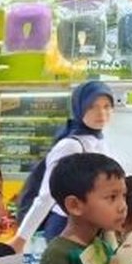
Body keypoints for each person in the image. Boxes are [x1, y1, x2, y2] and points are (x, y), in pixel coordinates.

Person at [13, 81, 116, 249]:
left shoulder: (100, 141)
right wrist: (22, 238)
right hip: (66, 227)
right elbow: (47, 195)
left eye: (106, 106)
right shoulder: (70, 145)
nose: (101, 113)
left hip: (91, 225)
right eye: (92, 107)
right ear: (79, 108)